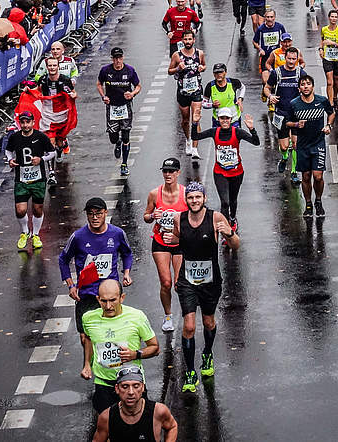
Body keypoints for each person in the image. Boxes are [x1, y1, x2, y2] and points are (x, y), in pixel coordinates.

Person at [166, 181, 238, 394]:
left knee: (208, 321)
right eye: (190, 198)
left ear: (204, 198)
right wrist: (173, 239)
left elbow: (235, 246)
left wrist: (229, 233)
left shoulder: (215, 218)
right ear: (186, 200)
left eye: (198, 197)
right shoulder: (179, 219)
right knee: (189, 326)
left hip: (210, 280)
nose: (194, 201)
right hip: (187, 280)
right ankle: (190, 372)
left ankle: (207, 353)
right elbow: (179, 242)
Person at [61, 197, 135, 383]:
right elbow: (63, 259)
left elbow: (127, 253)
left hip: (110, 295)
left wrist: (126, 273)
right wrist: (71, 285)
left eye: (98, 214)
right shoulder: (78, 237)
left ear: (105, 214)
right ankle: (91, 362)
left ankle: (108, 370)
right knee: (85, 335)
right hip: (86, 293)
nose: (94, 218)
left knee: (111, 330)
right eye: (91, 214)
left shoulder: (117, 234)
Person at [80, 279, 159, 413]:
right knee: (106, 426)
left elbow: (155, 348)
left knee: (135, 425)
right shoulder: (88, 318)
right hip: (103, 382)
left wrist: (135, 354)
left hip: (131, 384)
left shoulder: (137, 317)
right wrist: (87, 364)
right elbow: (88, 338)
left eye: (113, 300)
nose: (108, 306)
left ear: (122, 298)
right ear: (98, 299)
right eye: (103, 301)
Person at [142, 158, 188, 334]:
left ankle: (187, 314)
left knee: (178, 283)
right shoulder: (155, 194)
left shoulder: (185, 194)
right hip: (160, 242)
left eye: (171, 171)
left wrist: (179, 235)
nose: (168, 174)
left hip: (179, 243)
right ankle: (168, 316)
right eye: (165, 171)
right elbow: (146, 216)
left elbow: (194, 219)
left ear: (178, 173)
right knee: (166, 282)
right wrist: (153, 215)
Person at [196, 107, 259, 228]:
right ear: (218, 119)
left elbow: (256, 142)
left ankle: (233, 218)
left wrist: (252, 129)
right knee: (225, 202)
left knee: (233, 200)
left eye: (227, 118)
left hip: (237, 172)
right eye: (222, 118)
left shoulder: (238, 132)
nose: (224, 120)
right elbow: (196, 136)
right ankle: (226, 227)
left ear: (231, 119)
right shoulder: (215, 132)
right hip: (220, 172)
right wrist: (195, 123)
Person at [5, 111, 57, 250]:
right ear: (20, 123)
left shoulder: (40, 137)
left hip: (38, 179)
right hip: (21, 179)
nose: (25, 125)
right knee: (20, 210)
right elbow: (8, 150)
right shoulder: (15, 137)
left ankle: (35, 234)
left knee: (37, 209)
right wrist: (10, 160)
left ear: (33, 122)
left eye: (28, 122)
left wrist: (41, 159)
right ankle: (24, 232)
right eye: (22, 122)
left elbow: (52, 153)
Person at [286, 73, 336, 218]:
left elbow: (331, 114)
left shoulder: (322, 100)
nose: (305, 86)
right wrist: (296, 124)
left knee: (318, 176)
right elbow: (287, 122)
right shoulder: (294, 104)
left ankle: (318, 201)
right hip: (303, 145)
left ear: (313, 86)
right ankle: (308, 204)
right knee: (306, 176)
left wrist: (328, 125)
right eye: (302, 84)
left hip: (318, 143)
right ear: (299, 88)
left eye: (308, 84)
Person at [90, 365, 178, 442]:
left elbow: (172, 427)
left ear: (143, 387)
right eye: (125, 386)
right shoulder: (107, 417)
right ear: (117, 389)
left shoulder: (158, 411)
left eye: (136, 386)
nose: (131, 392)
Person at [97, 47, 142, 177]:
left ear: (123, 58)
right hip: (112, 107)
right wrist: (103, 96)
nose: (117, 61)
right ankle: (117, 143)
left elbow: (138, 86)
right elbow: (99, 83)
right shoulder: (105, 70)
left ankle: (124, 164)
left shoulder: (129, 70)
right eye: (115, 58)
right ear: (112, 59)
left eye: (120, 58)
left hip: (125, 106)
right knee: (113, 136)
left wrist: (132, 93)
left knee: (126, 136)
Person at [168, 34, 206, 158]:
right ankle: (188, 139)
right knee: (185, 120)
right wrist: (178, 68)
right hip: (183, 92)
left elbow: (204, 65)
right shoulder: (177, 55)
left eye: (190, 39)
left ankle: (195, 148)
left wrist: (202, 67)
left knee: (196, 118)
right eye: (186, 39)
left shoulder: (199, 53)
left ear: (194, 40)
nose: (188, 41)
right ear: (183, 40)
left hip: (196, 90)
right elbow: (169, 71)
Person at [318, 8, 338, 107]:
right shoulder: (324, 29)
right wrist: (321, 49)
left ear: (337, 18)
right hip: (327, 58)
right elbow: (322, 41)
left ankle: (335, 97)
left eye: (335, 17)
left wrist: (333, 43)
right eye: (332, 17)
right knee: (329, 81)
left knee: (336, 80)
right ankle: (330, 103)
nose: (334, 19)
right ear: (329, 18)